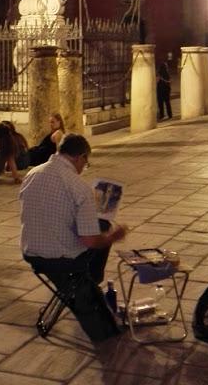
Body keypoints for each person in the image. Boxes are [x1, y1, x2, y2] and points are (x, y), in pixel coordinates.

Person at [20, 133, 128, 342]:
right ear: (80, 157)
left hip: (31, 252)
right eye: (85, 162)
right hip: (62, 259)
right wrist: (114, 237)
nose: (84, 167)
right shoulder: (78, 187)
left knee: (95, 227)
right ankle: (91, 278)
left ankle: (86, 281)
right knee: (102, 231)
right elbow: (90, 242)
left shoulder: (32, 174)